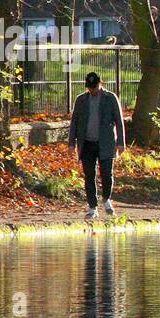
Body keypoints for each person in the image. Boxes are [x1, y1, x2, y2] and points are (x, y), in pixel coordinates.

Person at [68, 71, 126, 221]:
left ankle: (106, 198)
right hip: (87, 143)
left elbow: (119, 121)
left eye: (94, 87)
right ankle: (92, 207)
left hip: (106, 143)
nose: (91, 90)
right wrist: (71, 144)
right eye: (89, 88)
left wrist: (121, 143)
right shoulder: (80, 100)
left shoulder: (110, 98)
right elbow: (74, 122)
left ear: (100, 84)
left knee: (107, 173)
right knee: (89, 176)